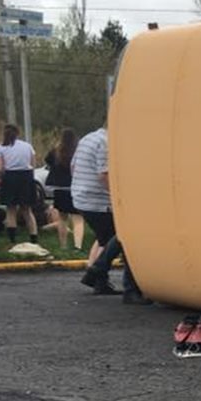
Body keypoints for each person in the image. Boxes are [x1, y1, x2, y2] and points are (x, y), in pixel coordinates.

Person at [73, 124, 149, 304]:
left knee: (109, 239)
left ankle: (98, 277)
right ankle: (128, 289)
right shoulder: (107, 142)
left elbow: (73, 166)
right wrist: (121, 197)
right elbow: (104, 175)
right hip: (99, 201)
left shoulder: (88, 137)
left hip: (82, 198)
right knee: (129, 238)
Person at [0, 124, 38, 245]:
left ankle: (12, 240)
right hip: (26, 176)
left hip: (10, 177)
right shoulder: (27, 146)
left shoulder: (0, 148)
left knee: (11, 209)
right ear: (18, 133)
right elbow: (33, 163)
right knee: (27, 210)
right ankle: (34, 238)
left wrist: (0, 178)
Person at [45, 128, 84, 250]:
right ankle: (78, 246)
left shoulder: (56, 151)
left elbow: (47, 161)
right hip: (75, 187)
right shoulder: (79, 151)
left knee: (62, 218)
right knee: (78, 219)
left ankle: (63, 245)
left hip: (59, 188)